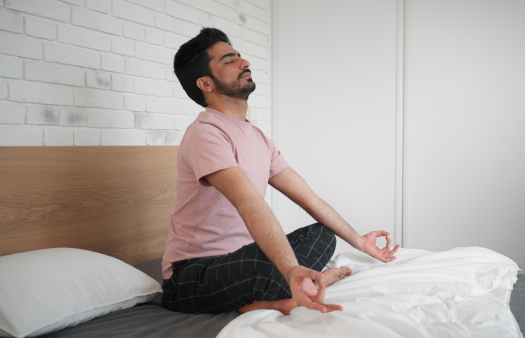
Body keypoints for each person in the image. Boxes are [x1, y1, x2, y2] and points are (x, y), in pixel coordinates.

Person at [161, 27, 400, 316]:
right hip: (192, 275)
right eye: (229, 61)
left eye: (239, 56)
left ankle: (273, 294)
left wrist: (361, 242)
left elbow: (309, 199)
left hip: (239, 260)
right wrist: (289, 268)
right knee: (273, 263)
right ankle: (295, 286)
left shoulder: (257, 137)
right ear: (205, 84)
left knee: (323, 234)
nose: (244, 63)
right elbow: (248, 202)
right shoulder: (205, 134)